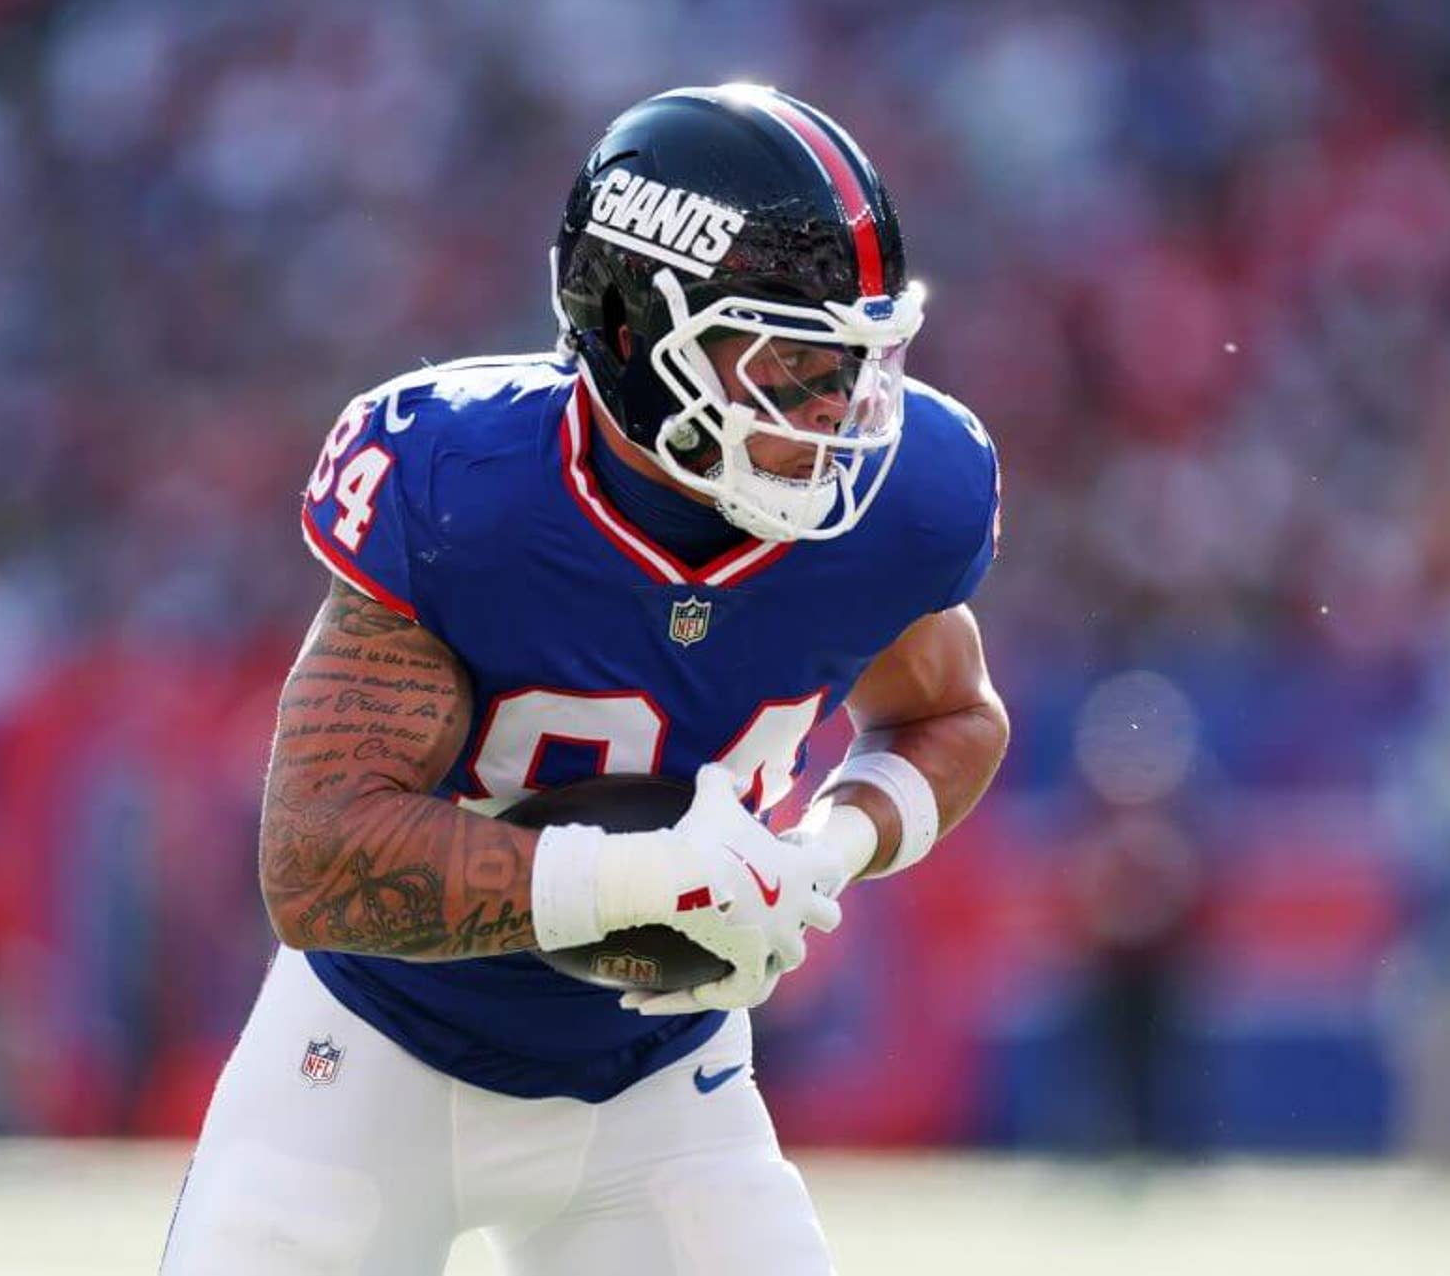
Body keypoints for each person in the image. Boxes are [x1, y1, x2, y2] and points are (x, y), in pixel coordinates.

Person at [160, 83, 1008, 1275]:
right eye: (789, 360)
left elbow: (948, 715)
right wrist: (651, 878)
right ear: (630, 330)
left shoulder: (907, 498)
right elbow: (317, 860)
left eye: (857, 361)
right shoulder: (464, 483)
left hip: (659, 1082)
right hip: (374, 1052)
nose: (838, 413)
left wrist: (828, 849)